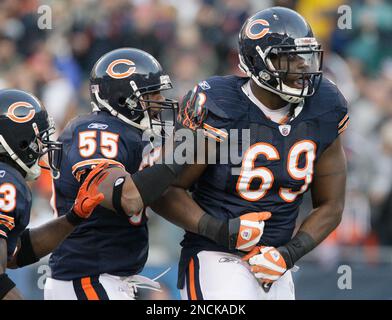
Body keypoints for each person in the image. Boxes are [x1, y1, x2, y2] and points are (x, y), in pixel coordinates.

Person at [152, 7, 349, 300]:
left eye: (304, 56)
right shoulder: (219, 106)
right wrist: (221, 230)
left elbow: (331, 205)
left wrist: (288, 255)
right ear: (256, 63)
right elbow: (164, 189)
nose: (301, 68)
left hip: (274, 262)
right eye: (287, 57)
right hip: (216, 255)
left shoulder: (325, 104)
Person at [45, 47, 267, 300]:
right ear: (122, 99)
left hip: (105, 278)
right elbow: (125, 198)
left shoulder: (131, 135)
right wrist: (185, 145)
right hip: (86, 278)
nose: (160, 101)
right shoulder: (95, 131)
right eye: (151, 94)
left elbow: (158, 182)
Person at [0, 89, 106, 300]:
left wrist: (73, 217)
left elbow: (16, 253)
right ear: (19, 140)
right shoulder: (7, 181)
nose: (44, 146)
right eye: (39, 138)